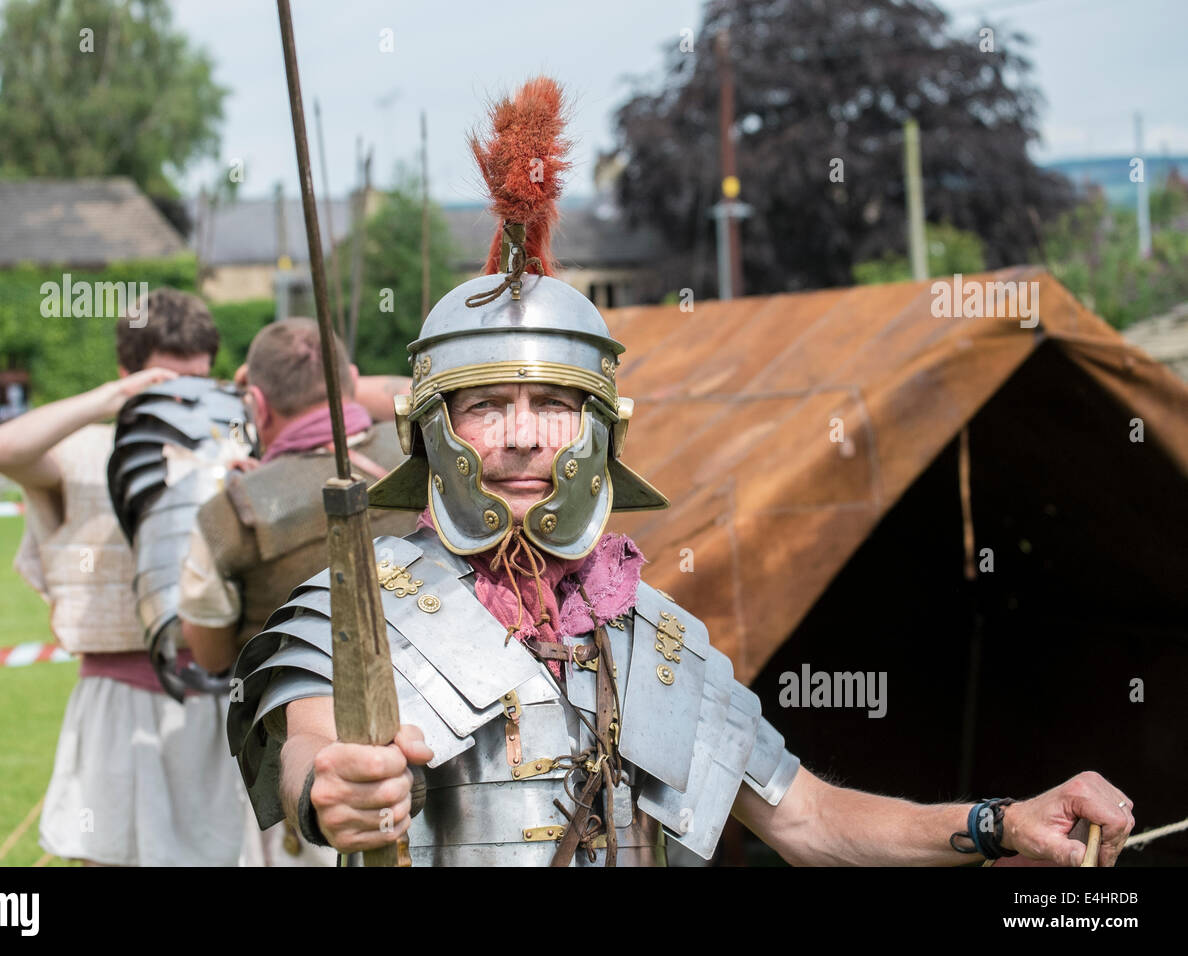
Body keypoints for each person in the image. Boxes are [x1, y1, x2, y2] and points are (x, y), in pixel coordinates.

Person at [226, 78, 1135, 867]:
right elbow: (313, 747)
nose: (519, 437)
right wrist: (328, 791)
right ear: (431, 431)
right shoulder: (356, 612)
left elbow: (810, 820)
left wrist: (998, 822)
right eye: (483, 406)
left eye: (553, 406)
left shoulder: (656, 635)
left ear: (602, 433)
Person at [0, 288, 246, 866]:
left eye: (196, 381)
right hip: (119, 705)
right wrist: (116, 399)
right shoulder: (85, 451)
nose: (183, 398)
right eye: (164, 383)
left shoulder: (231, 445)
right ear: (128, 372)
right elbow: (0, 449)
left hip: (216, 700)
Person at [177, 317, 418, 866]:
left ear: (257, 405)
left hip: (304, 774)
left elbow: (213, 655)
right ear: (352, 381)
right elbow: (422, 389)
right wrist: (347, 384)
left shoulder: (229, 513)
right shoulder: (432, 453)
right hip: (440, 748)